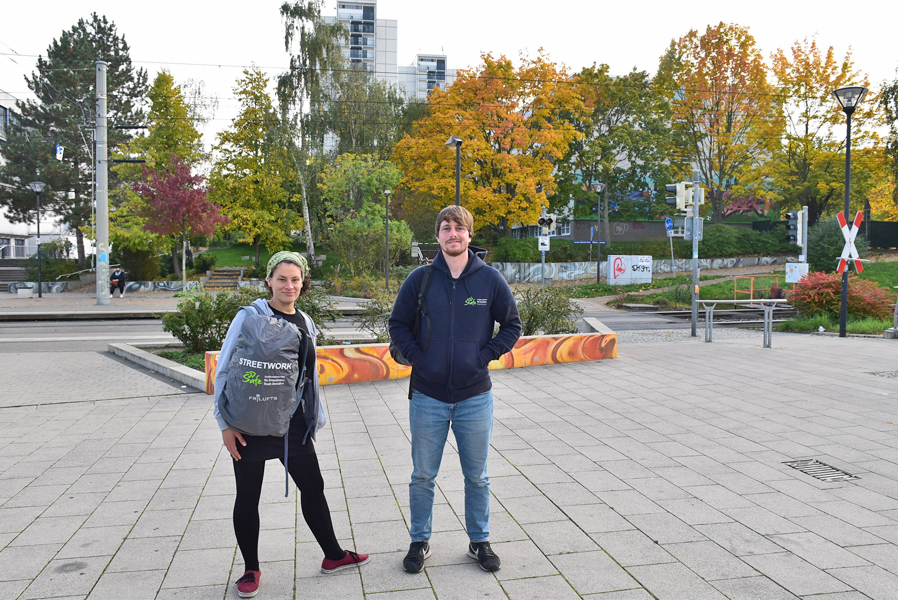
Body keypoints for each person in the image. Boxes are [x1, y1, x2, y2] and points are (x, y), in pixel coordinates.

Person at [214, 251, 370, 598]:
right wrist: (224, 423)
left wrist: (316, 418)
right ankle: (251, 569)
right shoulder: (249, 317)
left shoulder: (305, 320)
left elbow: (308, 377)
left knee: (314, 487)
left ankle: (333, 555)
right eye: (282, 279)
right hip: (248, 424)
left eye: (295, 279)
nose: (289, 285)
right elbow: (224, 368)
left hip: (293, 425)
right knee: (247, 496)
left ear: (304, 283)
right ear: (268, 280)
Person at [389, 206, 522, 574]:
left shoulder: (489, 280)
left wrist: (484, 356)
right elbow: (397, 325)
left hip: (474, 395)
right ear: (438, 235)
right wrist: (420, 358)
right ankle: (419, 541)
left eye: (459, 228)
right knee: (422, 476)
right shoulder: (420, 280)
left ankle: (480, 541)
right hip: (428, 395)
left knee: (477, 475)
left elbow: (512, 326)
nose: (452, 234)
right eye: (445, 228)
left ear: (468, 234)